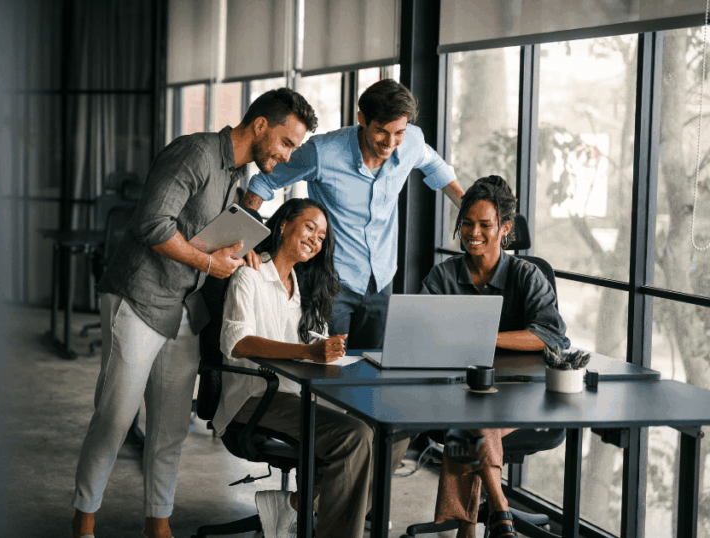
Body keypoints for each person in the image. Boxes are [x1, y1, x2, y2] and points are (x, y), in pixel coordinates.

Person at [70, 88, 318, 538]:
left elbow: (211, 239)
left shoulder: (235, 175)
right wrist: (208, 262)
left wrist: (245, 254)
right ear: (260, 126)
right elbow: (152, 224)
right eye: (286, 143)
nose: (287, 156)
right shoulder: (195, 153)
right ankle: (84, 520)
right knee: (115, 417)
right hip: (139, 298)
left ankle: (158, 523)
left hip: (185, 308)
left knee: (169, 428)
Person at [212, 198, 410, 538]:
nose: (315, 240)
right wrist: (307, 351)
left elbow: (310, 351)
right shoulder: (250, 275)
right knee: (355, 435)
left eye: (321, 238)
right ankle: (330, 525)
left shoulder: (302, 289)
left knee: (392, 425)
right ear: (284, 224)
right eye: (309, 228)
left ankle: (298, 507)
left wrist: (328, 352)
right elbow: (238, 342)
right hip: (255, 396)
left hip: (297, 392)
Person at [240, 79, 465, 349]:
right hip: (331, 281)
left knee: (371, 370)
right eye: (381, 131)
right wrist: (244, 239)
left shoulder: (411, 141)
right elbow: (263, 183)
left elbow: (434, 166)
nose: (390, 143)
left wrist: (467, 207)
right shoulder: (322, 153)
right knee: (328, 369)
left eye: (399, 133)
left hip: (381, 280)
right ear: (362, 118)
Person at [419, 175, 570, 538]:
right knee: (472, 416)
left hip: (519, 402)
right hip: (454, 398)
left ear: (505, 229)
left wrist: (482, 335)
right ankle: (500, 511)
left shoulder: (527, 276)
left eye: (485, 225)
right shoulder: (443, 277)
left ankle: (468, 528)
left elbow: (551, 336)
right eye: (466, 223)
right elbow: (422, 335)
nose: (473, 232)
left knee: (469, 426)